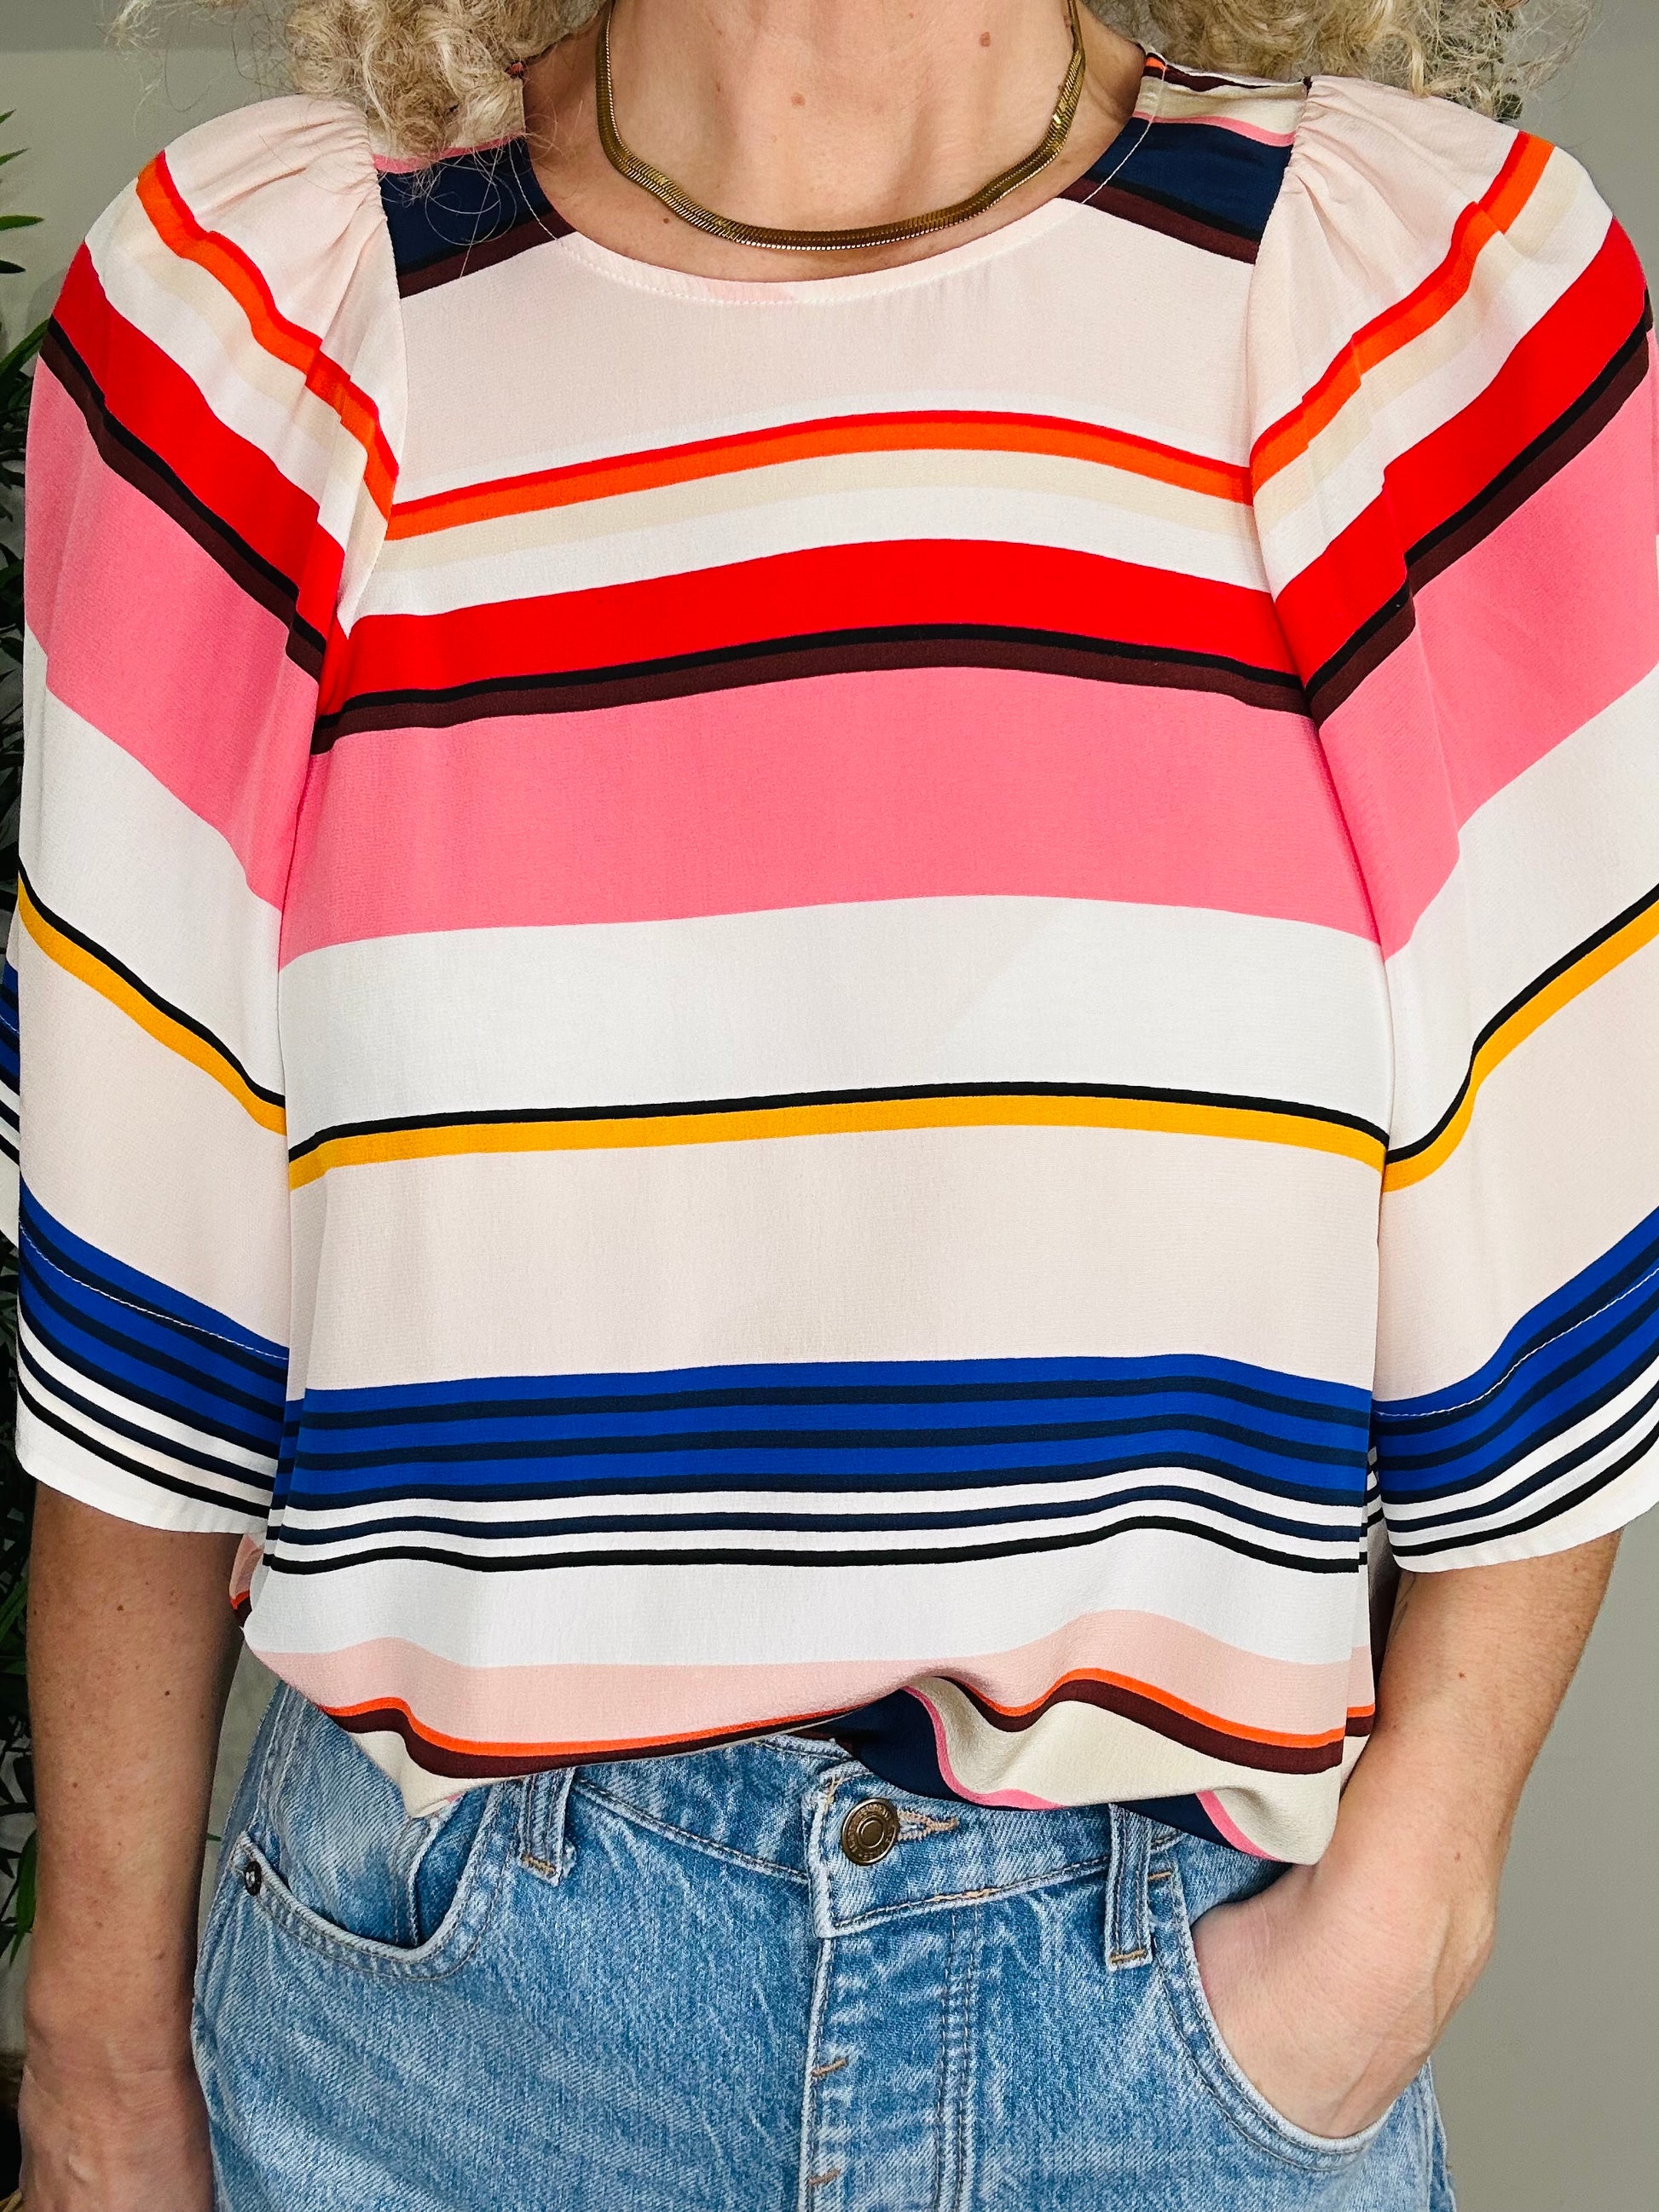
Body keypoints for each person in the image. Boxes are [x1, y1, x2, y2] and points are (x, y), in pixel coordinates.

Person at [12, 0, 1657, 2204]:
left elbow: (1568, 1223)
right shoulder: (256, 321)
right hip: (433, 2043)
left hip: (1159, 2047)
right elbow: (136, 1333)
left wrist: (1407, 1909)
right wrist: (94, 2067)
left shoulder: (1417, 303)